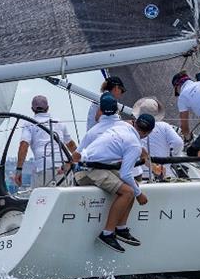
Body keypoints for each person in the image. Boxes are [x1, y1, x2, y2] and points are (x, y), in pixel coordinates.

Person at [71, 114, 155, 253]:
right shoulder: (134, 145)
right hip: (88, 170)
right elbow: (125, 174)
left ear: (135, 123)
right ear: (148, 133)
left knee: (133, 185)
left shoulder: (122, 126)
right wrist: (139, 195)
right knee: (129, 192)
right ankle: (107, 233)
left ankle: (121, 228)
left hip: (91, 164)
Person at [14, 95, 78, 189]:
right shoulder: (59, 123)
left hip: (42, 168)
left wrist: (19, 170)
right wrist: (80, 161)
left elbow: (23, 146)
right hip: (63, 168)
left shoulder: (29, 124)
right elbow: (71, 145)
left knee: (40, 201)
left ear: (32, 109)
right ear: (48, 108)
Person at [132, 98, 184, 180]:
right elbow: (178, 143)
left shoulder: (132, 128)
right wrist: (174, 157)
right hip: (164, 174)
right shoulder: (164, 126)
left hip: (139, 175)